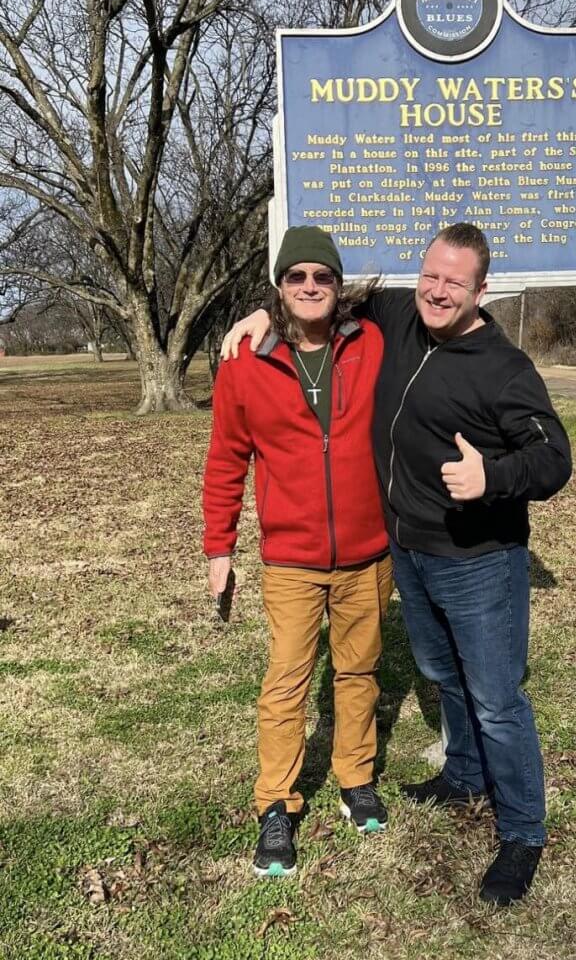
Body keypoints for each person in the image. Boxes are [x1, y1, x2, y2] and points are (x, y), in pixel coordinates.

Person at [223, 222, 572, 904]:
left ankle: (523, 833)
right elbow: (321, 297)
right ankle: (465, 774)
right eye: (431, 276)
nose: (438, 292)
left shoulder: (503, 368)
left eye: (456, 282)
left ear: (482, 290)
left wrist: (493, 478)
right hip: (408, 551)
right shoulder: (400, 316)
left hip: (479, 559)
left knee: (497, 700)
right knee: (441, 673)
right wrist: (265, 310)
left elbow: (554, 456)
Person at [203, 225, 392, 879]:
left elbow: (419, 299)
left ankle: (354, 778)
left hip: (369, 552)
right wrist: (218, 547)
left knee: (359, 674)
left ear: (338, 289)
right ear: (279, 287)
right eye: (296, 277)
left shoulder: (369, 343)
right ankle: (276, 805)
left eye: (322, 277)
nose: (309, 287)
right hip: (291, 559)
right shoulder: (246, 360)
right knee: (286, 684)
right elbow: (226, 458)